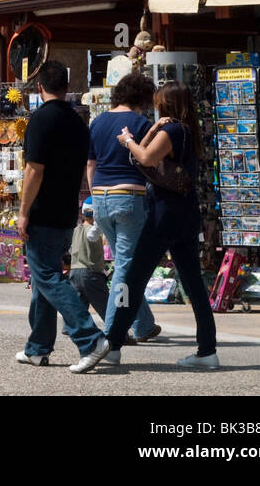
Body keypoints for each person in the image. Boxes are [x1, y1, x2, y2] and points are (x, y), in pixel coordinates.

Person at [96, 82, 218, 372]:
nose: (155, 106)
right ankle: (207, 349)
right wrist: (149, 131)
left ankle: (112, 345)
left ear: (168, 104)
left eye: (159, 102)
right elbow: (151, 153)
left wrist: (127, 140)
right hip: (185, 214)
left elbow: (146, 157)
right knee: (194, 285)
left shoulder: (172, 130)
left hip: (164, 216)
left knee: (134, 278)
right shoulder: (187, 131)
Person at [16, 60, 109, 373]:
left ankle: (89, 337)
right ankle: (38, 348)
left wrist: (23, 212)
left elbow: (34, 169)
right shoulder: (77, 121)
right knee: (45, 276)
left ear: (39, 87)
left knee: (47, 276)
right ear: (67, 87)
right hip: (66, 209)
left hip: (43, 209)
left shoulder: (41, 120)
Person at [87, 72, 162, 344]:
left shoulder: (97, 123)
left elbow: (90, 164)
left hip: (101, 195)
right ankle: (112, 330)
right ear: (142, 97)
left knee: (124, 263)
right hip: (129, 196)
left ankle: (143, 324)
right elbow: (150, 162)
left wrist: (94, 195)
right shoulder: (141, 123)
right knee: (126, 265)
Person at [68, 200, 107, 323]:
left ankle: (70, 326)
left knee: (78, 305)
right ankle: (118, 332)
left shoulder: (75, 230)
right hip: (91, 273)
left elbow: (69, 249)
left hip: (74, 271)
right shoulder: (95, 231)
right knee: (105, 305)